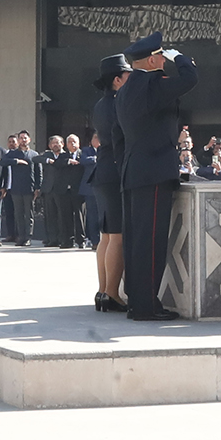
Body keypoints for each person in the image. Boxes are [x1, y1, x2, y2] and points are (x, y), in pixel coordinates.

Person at [115, 30, 197, 321]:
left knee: (136, 241)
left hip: (133, 170)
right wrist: (182, 59)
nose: (164, 60)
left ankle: (137, 301)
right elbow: (190, 79)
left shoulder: (125, 90)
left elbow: (117, 137)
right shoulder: (153, 84)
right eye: (162, 56)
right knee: (151, 241)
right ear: (151, 61)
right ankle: (146, 305)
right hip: (153, 171)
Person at [84, 58, 127, 308]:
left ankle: (103, 291)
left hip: (102, 171)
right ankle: (112, 293)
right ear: (117, 80)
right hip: (114, 172)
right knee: (117, 237)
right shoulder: (119, 102)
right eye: (128, 75)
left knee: (107, 236)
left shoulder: (101, 104)